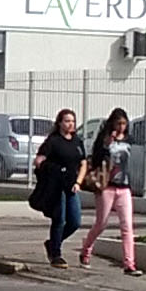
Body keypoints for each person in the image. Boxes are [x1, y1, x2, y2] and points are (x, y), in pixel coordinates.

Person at [79, 107, 140, 276]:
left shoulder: (129, 140)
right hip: (106, 186)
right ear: (112, 123)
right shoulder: (104, 139)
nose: (121, 127)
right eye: (118, 123)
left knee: (127, 225)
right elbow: (96, 158)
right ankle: (86, 250)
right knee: (101, 223)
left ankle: (129, 263)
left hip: (124, 186)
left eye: (124, 123)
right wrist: (107, 144)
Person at [32, 108, 87, 267]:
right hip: (56, 186)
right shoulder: (53, 141)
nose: (71, 124)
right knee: (59, 219)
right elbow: (39, 160)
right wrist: (51, 169)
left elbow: (83, 163)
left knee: (75, 221)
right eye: (67, 121)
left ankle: (53, 243)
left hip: (71, 186)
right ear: (60, 123)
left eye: (73, 121)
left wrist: (78, 182)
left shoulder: (77, 141)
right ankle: (56, 254)